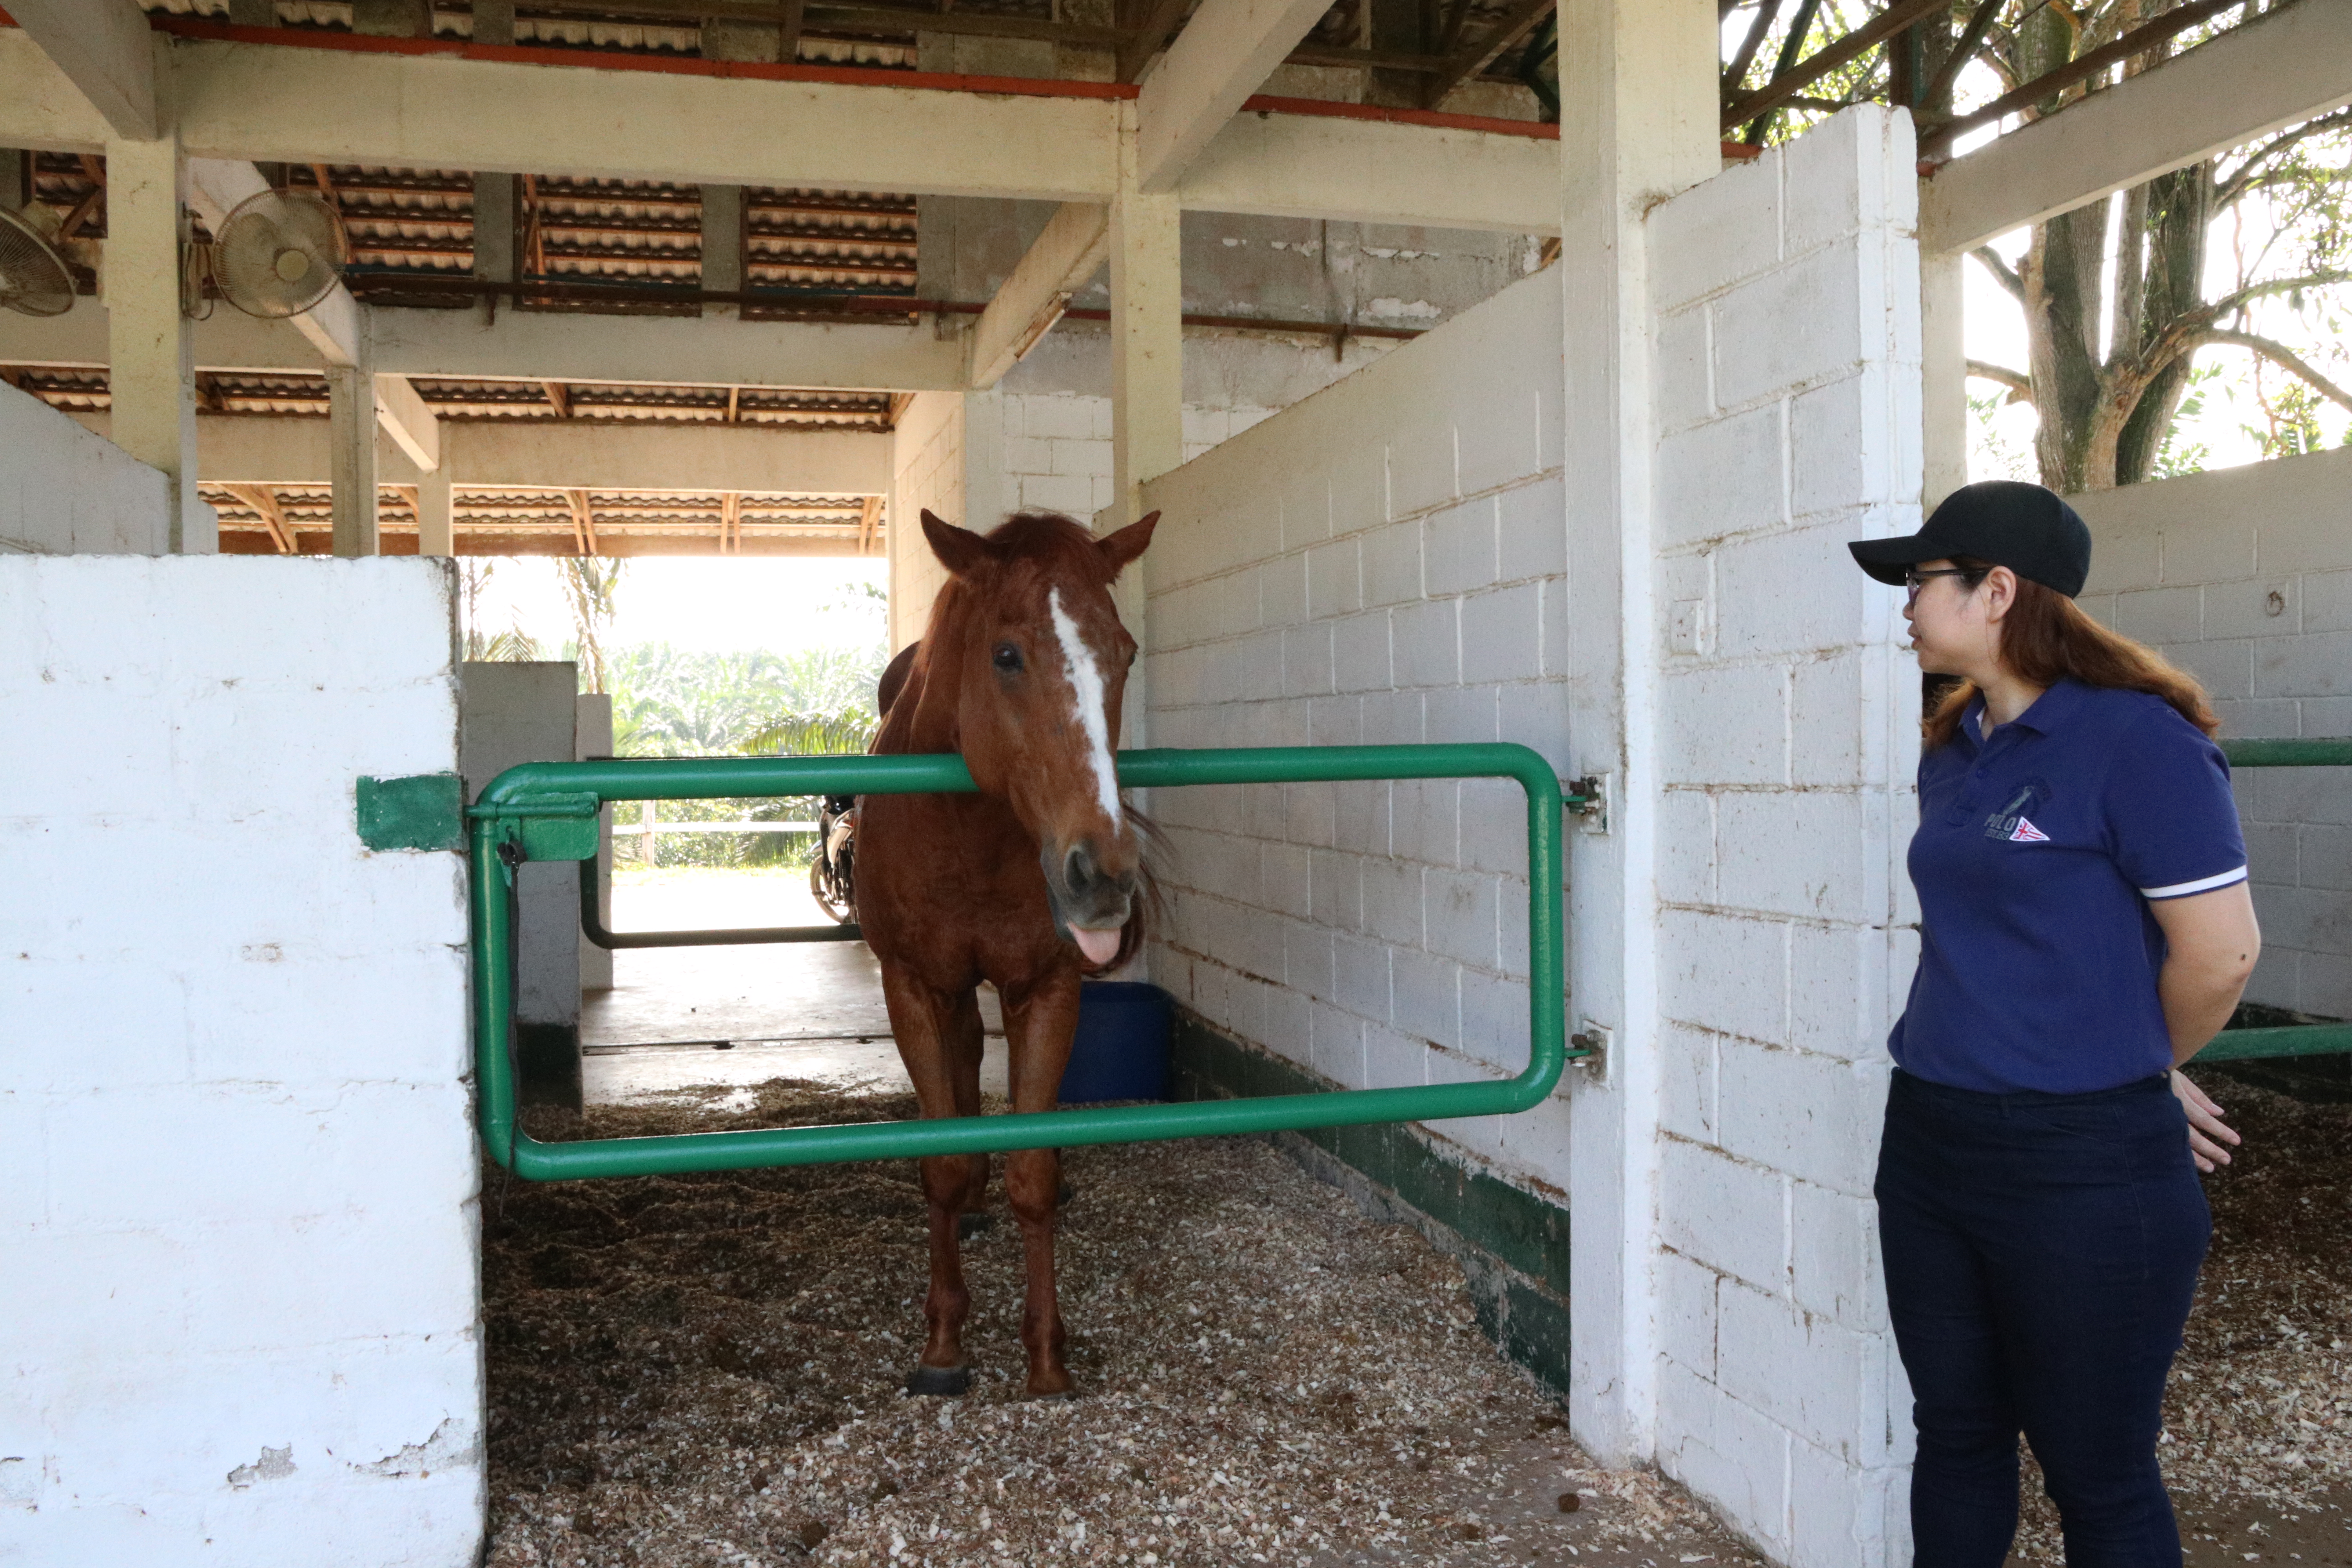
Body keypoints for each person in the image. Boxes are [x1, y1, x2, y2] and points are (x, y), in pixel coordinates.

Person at [1847, 481, 2262, 1566]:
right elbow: (1999, 946)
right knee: (1959, 1435)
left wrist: (2136, 1067)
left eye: (1917, 580)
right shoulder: (1957, 743)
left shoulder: (2139, 742)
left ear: (1997, 591)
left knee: (2100, 1474)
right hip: (1933, 1145)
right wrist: (2129, 1056)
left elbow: (2222, 955)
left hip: (2083, 1168)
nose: (1902, 604)